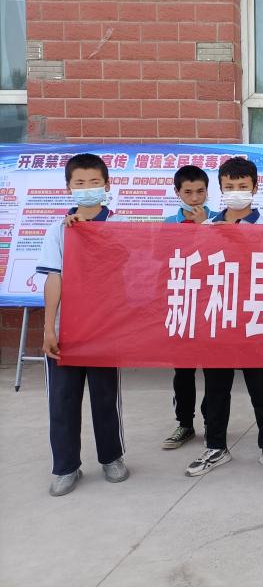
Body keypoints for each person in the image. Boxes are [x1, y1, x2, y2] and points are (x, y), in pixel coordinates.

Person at [185, 157, 263, 477]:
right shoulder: (206, 226)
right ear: (220, 188)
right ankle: (215, 447)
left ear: (255, 188)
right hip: (219, 317)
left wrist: (235, 237)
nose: (235, 192)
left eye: (242, 186)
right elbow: (196, 268)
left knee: (261, 388)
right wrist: (207, 234)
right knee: (216, 389)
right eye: (229, 186)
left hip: (255, 317)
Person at [38, 153, 129, 496]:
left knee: (105, 398)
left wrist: (92, 235)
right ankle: (65, 467)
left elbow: (125, 268)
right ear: (68, 188)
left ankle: (112, 457)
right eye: (80, 183)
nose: (87, 188)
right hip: (67, 330)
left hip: (104, 328)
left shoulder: (119, 226)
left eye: (94, 182)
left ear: (107, 185)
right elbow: (53, 279)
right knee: (62, 400)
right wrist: (49, 328)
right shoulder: (58, 230)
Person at [161, 164, 212, 451]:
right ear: (177, 193)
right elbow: (161, 261)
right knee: (183, 371)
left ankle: (212, 421)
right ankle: (184, 423)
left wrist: (205, 227)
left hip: (211, 304)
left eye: (200, 191)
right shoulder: (169, 223)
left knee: (213, 370)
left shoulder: (217, 220)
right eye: (188, 192)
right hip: (181, 304)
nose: (195, 198)